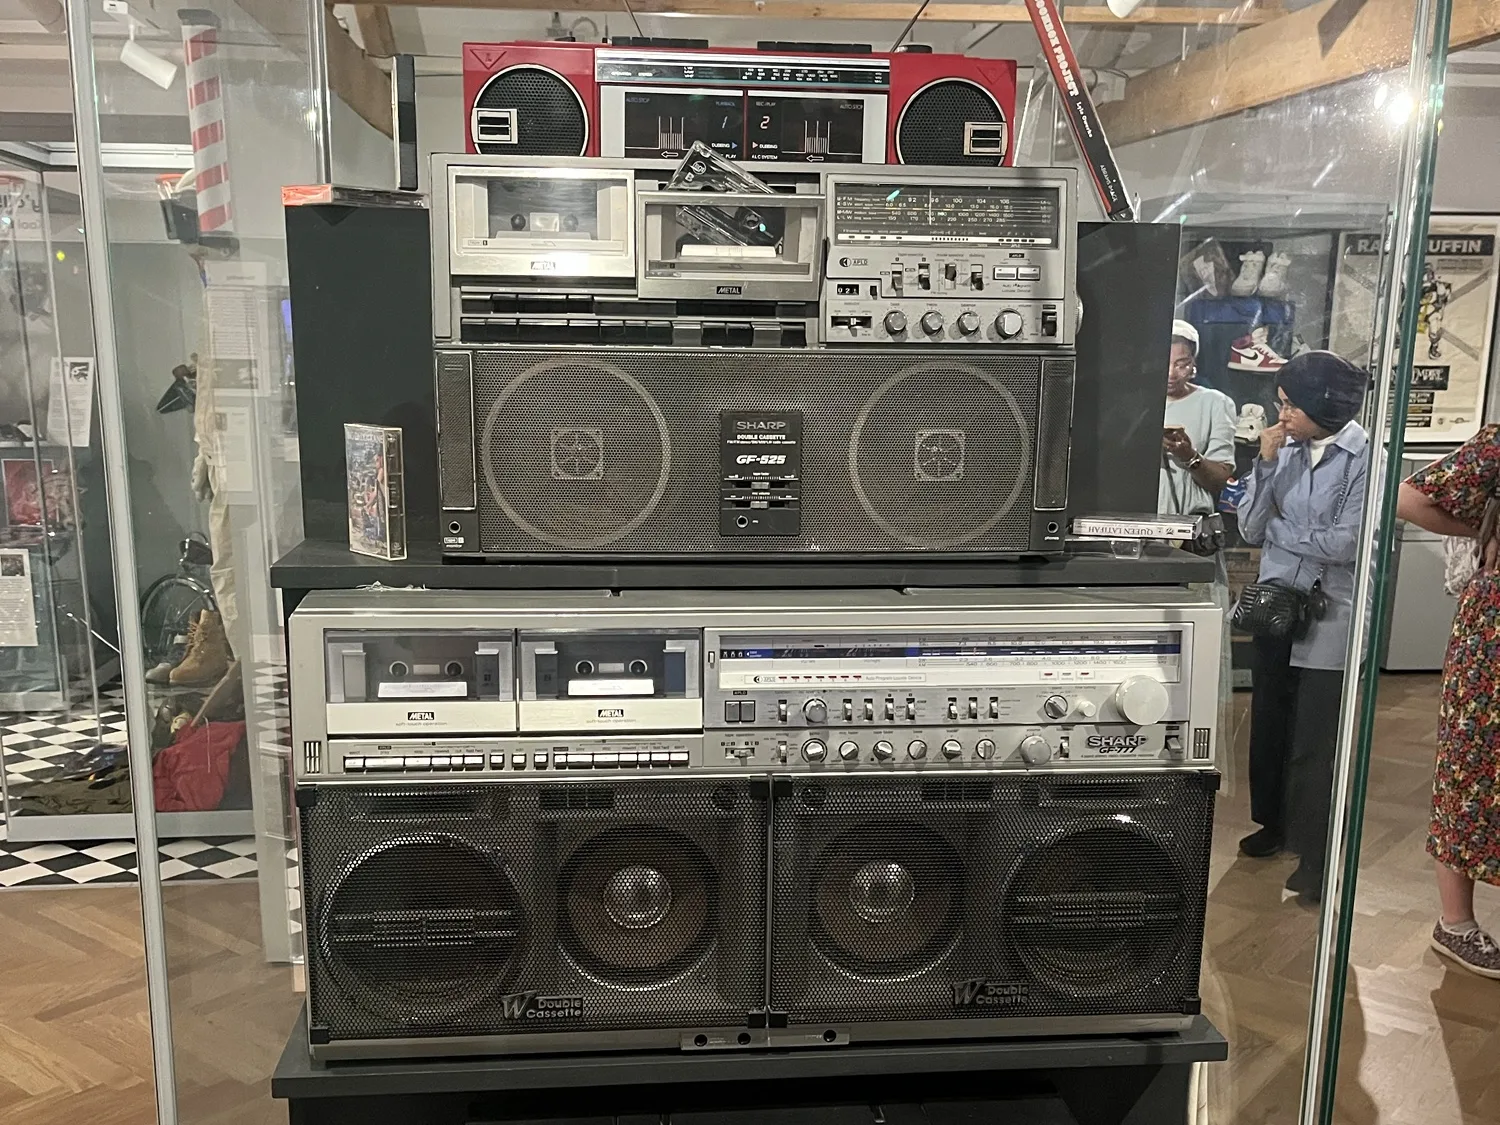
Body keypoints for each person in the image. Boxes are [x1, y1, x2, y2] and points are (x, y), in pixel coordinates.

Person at [1236, 351, 1370, 903]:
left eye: (1291, 405)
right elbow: (1248, 526)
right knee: (1270, 720)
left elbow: (1347, 544)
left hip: (1328, 612)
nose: (1281, 415)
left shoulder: (1363, 457)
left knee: (1315, 738)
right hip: (1275, 606)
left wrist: (1283, 534)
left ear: (1323, 404)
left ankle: (1316, 854)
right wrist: (1264, 467)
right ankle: (1275, 824)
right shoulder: (1282, 450)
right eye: (1281, 403)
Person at [1396, 430, 1500, 978]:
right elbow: (1410, 496)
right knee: (1471, 764)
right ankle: (1455, 923)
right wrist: (1480, 529)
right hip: (1494, 631)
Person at [1160, 320, 1236, 517]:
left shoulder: (1215, 404)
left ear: (1194, 362)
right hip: (1135, 523)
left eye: (1181, 364)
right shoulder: (1132, 402)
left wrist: (1189, 456)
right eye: (1163, 362)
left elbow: (1220, 481)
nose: (1171, 374)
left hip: (1190, 527)